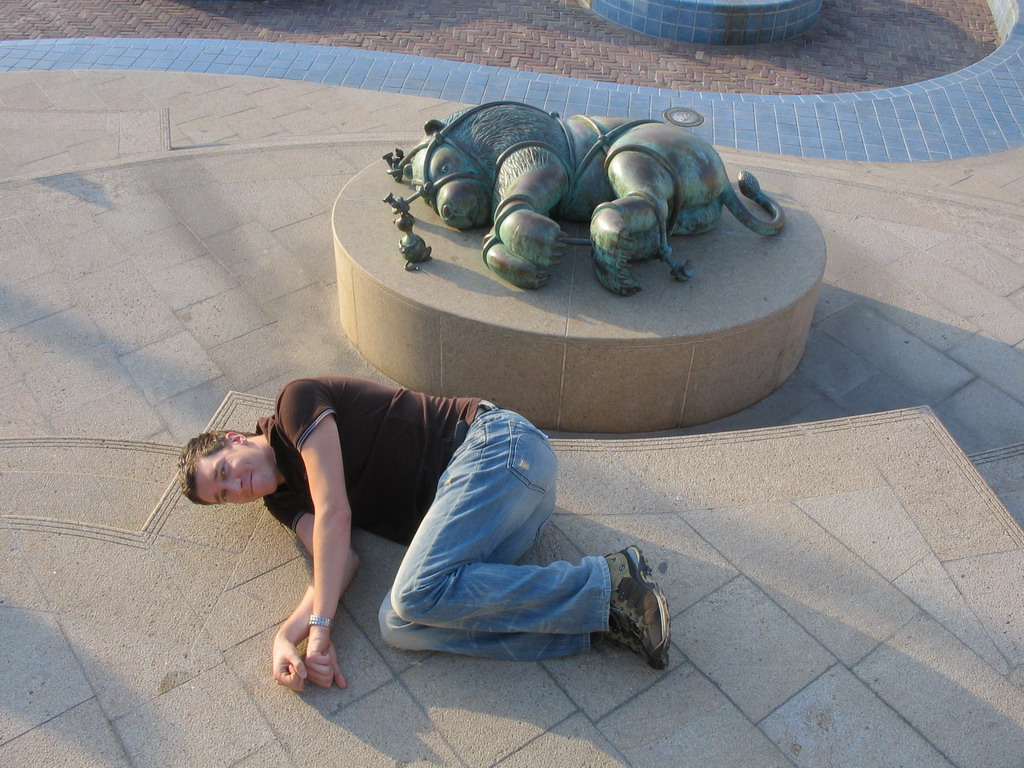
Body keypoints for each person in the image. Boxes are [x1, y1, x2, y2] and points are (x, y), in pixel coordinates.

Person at [177, 376, 669, 691]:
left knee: (415, 593)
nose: (234, 488)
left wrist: (324, 628)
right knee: (400, 624)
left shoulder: (295, 407)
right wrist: (290, 635)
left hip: (497, 449)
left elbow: (333, 514)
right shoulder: (282, 501)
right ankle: (597, 618)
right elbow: (339, 561)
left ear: (234, 439)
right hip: (512, 516)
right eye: (223, 496)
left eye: (224, 472)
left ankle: (606, 583)